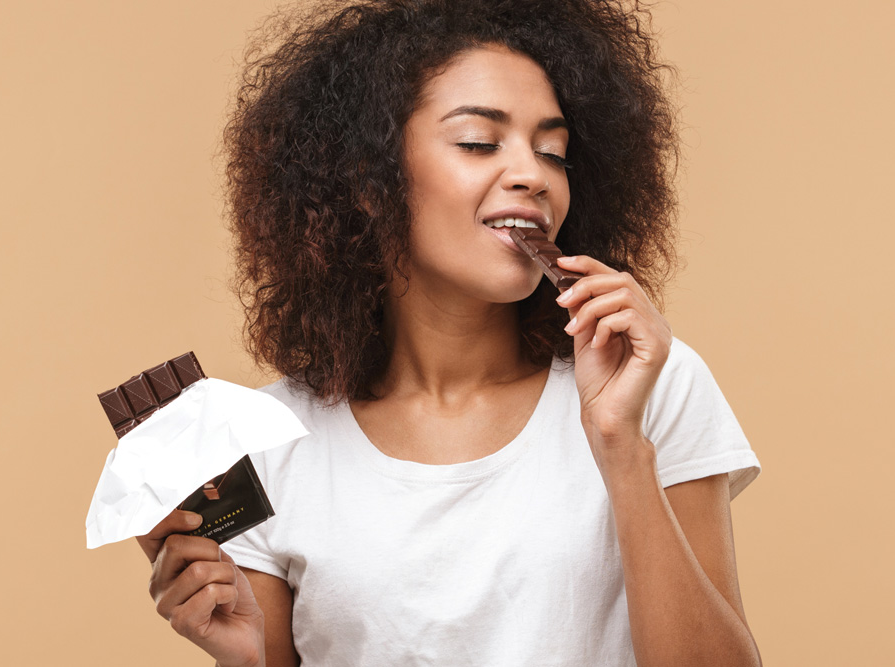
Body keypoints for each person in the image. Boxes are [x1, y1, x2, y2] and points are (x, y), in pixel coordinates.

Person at [136, 1, 763, 665]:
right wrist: (242, 655)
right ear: (369, 182)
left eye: (553, 151)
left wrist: (620, 443)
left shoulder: (651, 385)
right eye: (478, 142)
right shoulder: (271, 442)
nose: (532, 174)